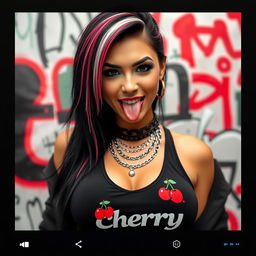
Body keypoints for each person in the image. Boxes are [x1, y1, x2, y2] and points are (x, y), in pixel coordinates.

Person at [39, 12, 231, 247]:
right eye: (111, 72)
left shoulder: (196, 155)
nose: (129, 86)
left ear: (161, 68)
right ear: (94, 79)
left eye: (142, 68)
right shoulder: (70, 146)